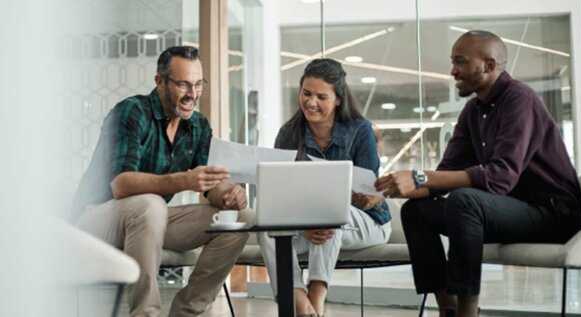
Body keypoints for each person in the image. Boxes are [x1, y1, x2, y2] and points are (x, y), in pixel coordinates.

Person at [374, 30, 581, 317]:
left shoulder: (519, 98)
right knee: (415, 211)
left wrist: (421, 177)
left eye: (460, 62)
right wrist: (395, 189)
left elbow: (500, 176)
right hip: (507, 209)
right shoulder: (473, 111)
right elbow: (446, 174)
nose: (452, 71)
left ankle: (466, 313)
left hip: (551, 213)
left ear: (489, 65)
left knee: (465, 200)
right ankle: (446, 308)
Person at [70, 46, 255, 317]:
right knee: (151, 203)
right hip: (96, 219)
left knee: (242, 217)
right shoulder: (131, 112)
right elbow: (121, 185)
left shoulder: (198, 126)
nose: (192, 94)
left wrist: (227, 193)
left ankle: (186, 312)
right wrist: (183, 181)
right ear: (160, 81)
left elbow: (208, 184)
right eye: (183, 84)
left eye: (197, 84)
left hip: (148, 221)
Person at [258, 58, 392, 317]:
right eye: (306, 93)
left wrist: (356, 198)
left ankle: (316, 299)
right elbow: (280, 193)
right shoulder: (288, 134)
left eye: (321, 96)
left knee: (326, 213)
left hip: (367, 221)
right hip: (307, 221)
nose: (311, 102)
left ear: (338, 99)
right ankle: (300, 304)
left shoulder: (359, 130)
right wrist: (303, 223)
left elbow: (371, 191)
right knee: (267, 229)